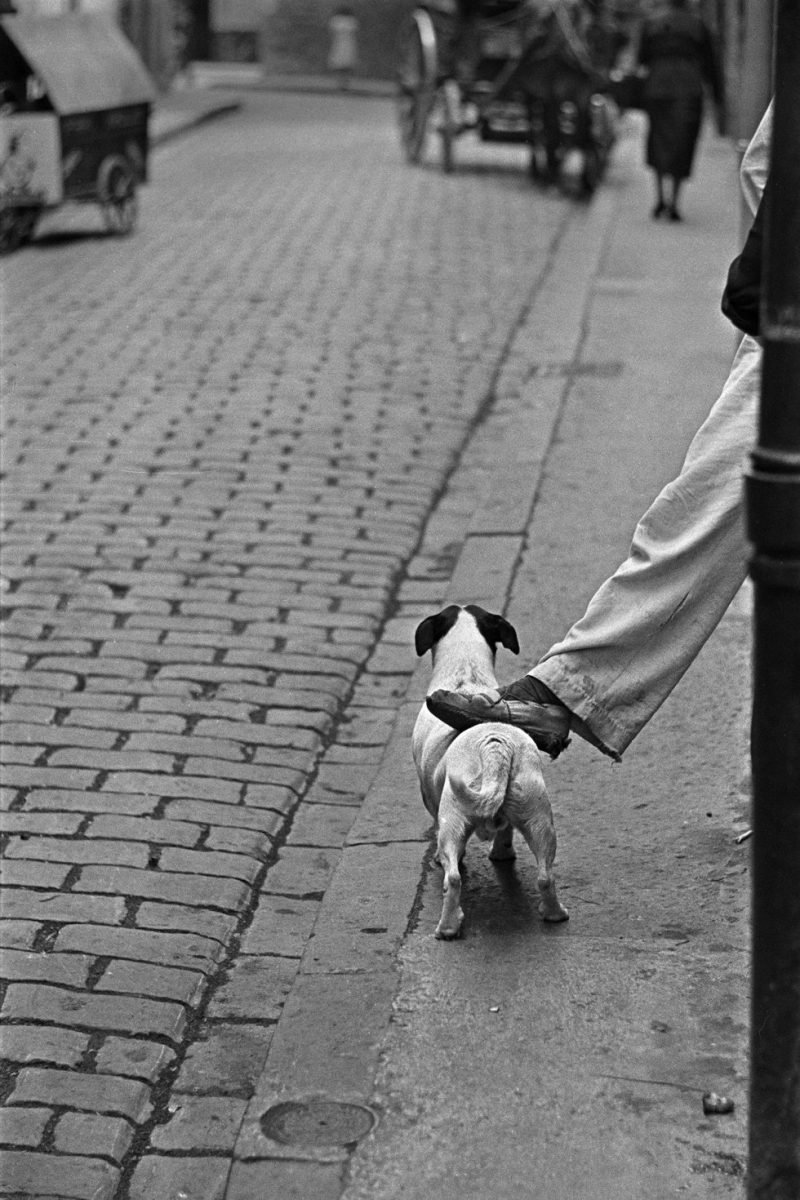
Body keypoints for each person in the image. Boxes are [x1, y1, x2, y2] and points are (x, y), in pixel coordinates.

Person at [427, 101, 771, 763]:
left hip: (782, 322)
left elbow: (760, 164)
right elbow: (761, 159)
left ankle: (567, 692)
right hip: (775, 315)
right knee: (696, 512)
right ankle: (568, 691)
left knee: (699, 514)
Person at [638, 0, 722, 221]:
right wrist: (717, 96)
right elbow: (711, 64)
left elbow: (642, 58)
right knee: (682, 144)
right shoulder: (697, 25)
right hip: (688, 88)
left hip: (657, 86)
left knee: (657, 141)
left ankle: (660, 199)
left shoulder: (652, 23)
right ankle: (673, 202)